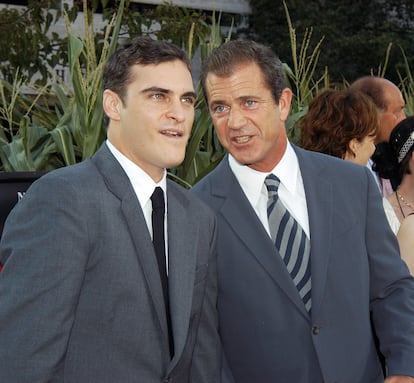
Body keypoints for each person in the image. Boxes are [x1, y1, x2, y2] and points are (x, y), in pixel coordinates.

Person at [192, 39, 414, 383]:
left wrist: (404, 367)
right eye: (220, 107)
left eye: (249, 102)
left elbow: (392, 288)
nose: (234, 122)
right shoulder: (196, 211)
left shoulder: (353, 184)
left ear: (283, 103)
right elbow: (203, 342)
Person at [0, 37, 221, 383]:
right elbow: (23, 363)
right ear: (114, 105)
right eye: (158, 96)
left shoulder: (197, 217)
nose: (178, 113)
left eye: (187, 100)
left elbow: (200, 357)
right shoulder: (62, 201)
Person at [299, 88, 400, 233]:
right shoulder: (368, 205)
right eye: (371, 140)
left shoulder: (298, 193)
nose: (373, 149)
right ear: (353, 144)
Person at [350, 76, 406, 196]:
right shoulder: (350, 163)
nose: (403, 118)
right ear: (372, 112)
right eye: (397, 111)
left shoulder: (387, 157)